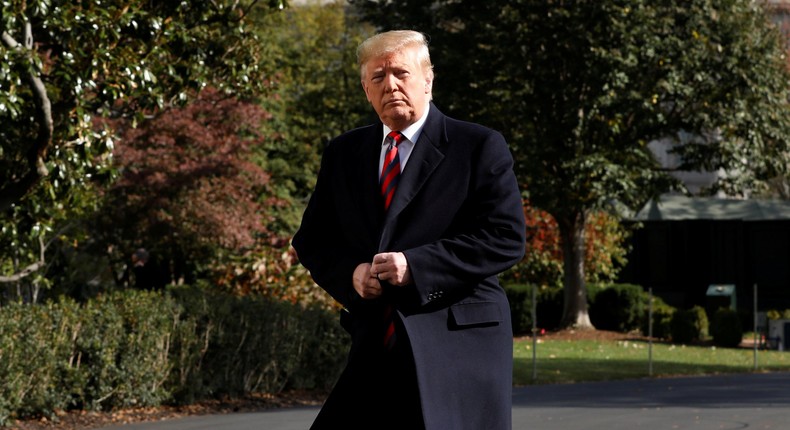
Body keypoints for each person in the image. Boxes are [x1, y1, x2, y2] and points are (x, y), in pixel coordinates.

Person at [292, 30, 526, 430]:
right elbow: (312, 240)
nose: (391, 85)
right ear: (366, 89)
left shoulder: (478, 145)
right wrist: (351, 273)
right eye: (378, 78)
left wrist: (415, 266)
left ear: (428, 79)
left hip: (457, 346)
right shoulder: (343, 153)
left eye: (401, 73)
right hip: (375, 344)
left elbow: (506, 237)